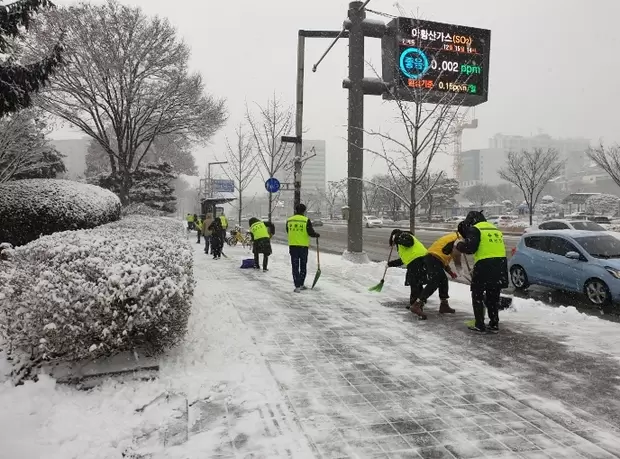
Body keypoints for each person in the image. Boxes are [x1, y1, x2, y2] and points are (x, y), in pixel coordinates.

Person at [455, 211, 508, 333]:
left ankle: (479, 325)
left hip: (485, 265)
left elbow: (470, 248)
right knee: (493, 296)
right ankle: (494, 324)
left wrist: (459, 245)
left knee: (477, 294)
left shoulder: (476, 229)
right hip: (501, 264)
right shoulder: (494, 229)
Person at [412, 230, 463, 314]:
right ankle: (417, 304)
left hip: (434, 258)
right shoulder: (459, 239)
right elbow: (456, 255)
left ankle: (444, 305)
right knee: (434, 281)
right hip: (433, 258)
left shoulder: (454, 236)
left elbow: (443, 256)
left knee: (443, 280)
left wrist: (450, 272)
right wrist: (460, 270)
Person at [387, 229, 429, 319]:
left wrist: (397, 238)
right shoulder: (404, 240)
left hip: (417, 261)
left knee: (415, 284)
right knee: (418, 284)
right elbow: (404, 259)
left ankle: (416, 305)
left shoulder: (403, 236)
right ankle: (416, 304)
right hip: (420, 260)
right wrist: (390, 264)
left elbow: (409, 242)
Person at [286, 204, 320, 293]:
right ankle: (301, 284)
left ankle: (297, 286)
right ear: (304, 211)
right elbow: (311, 233)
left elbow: (287, 231)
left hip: (292, 246)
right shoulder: (305, 220)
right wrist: (316, 234)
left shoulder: (289, 220)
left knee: (295, 266)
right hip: (303, 247)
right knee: (303, 265)